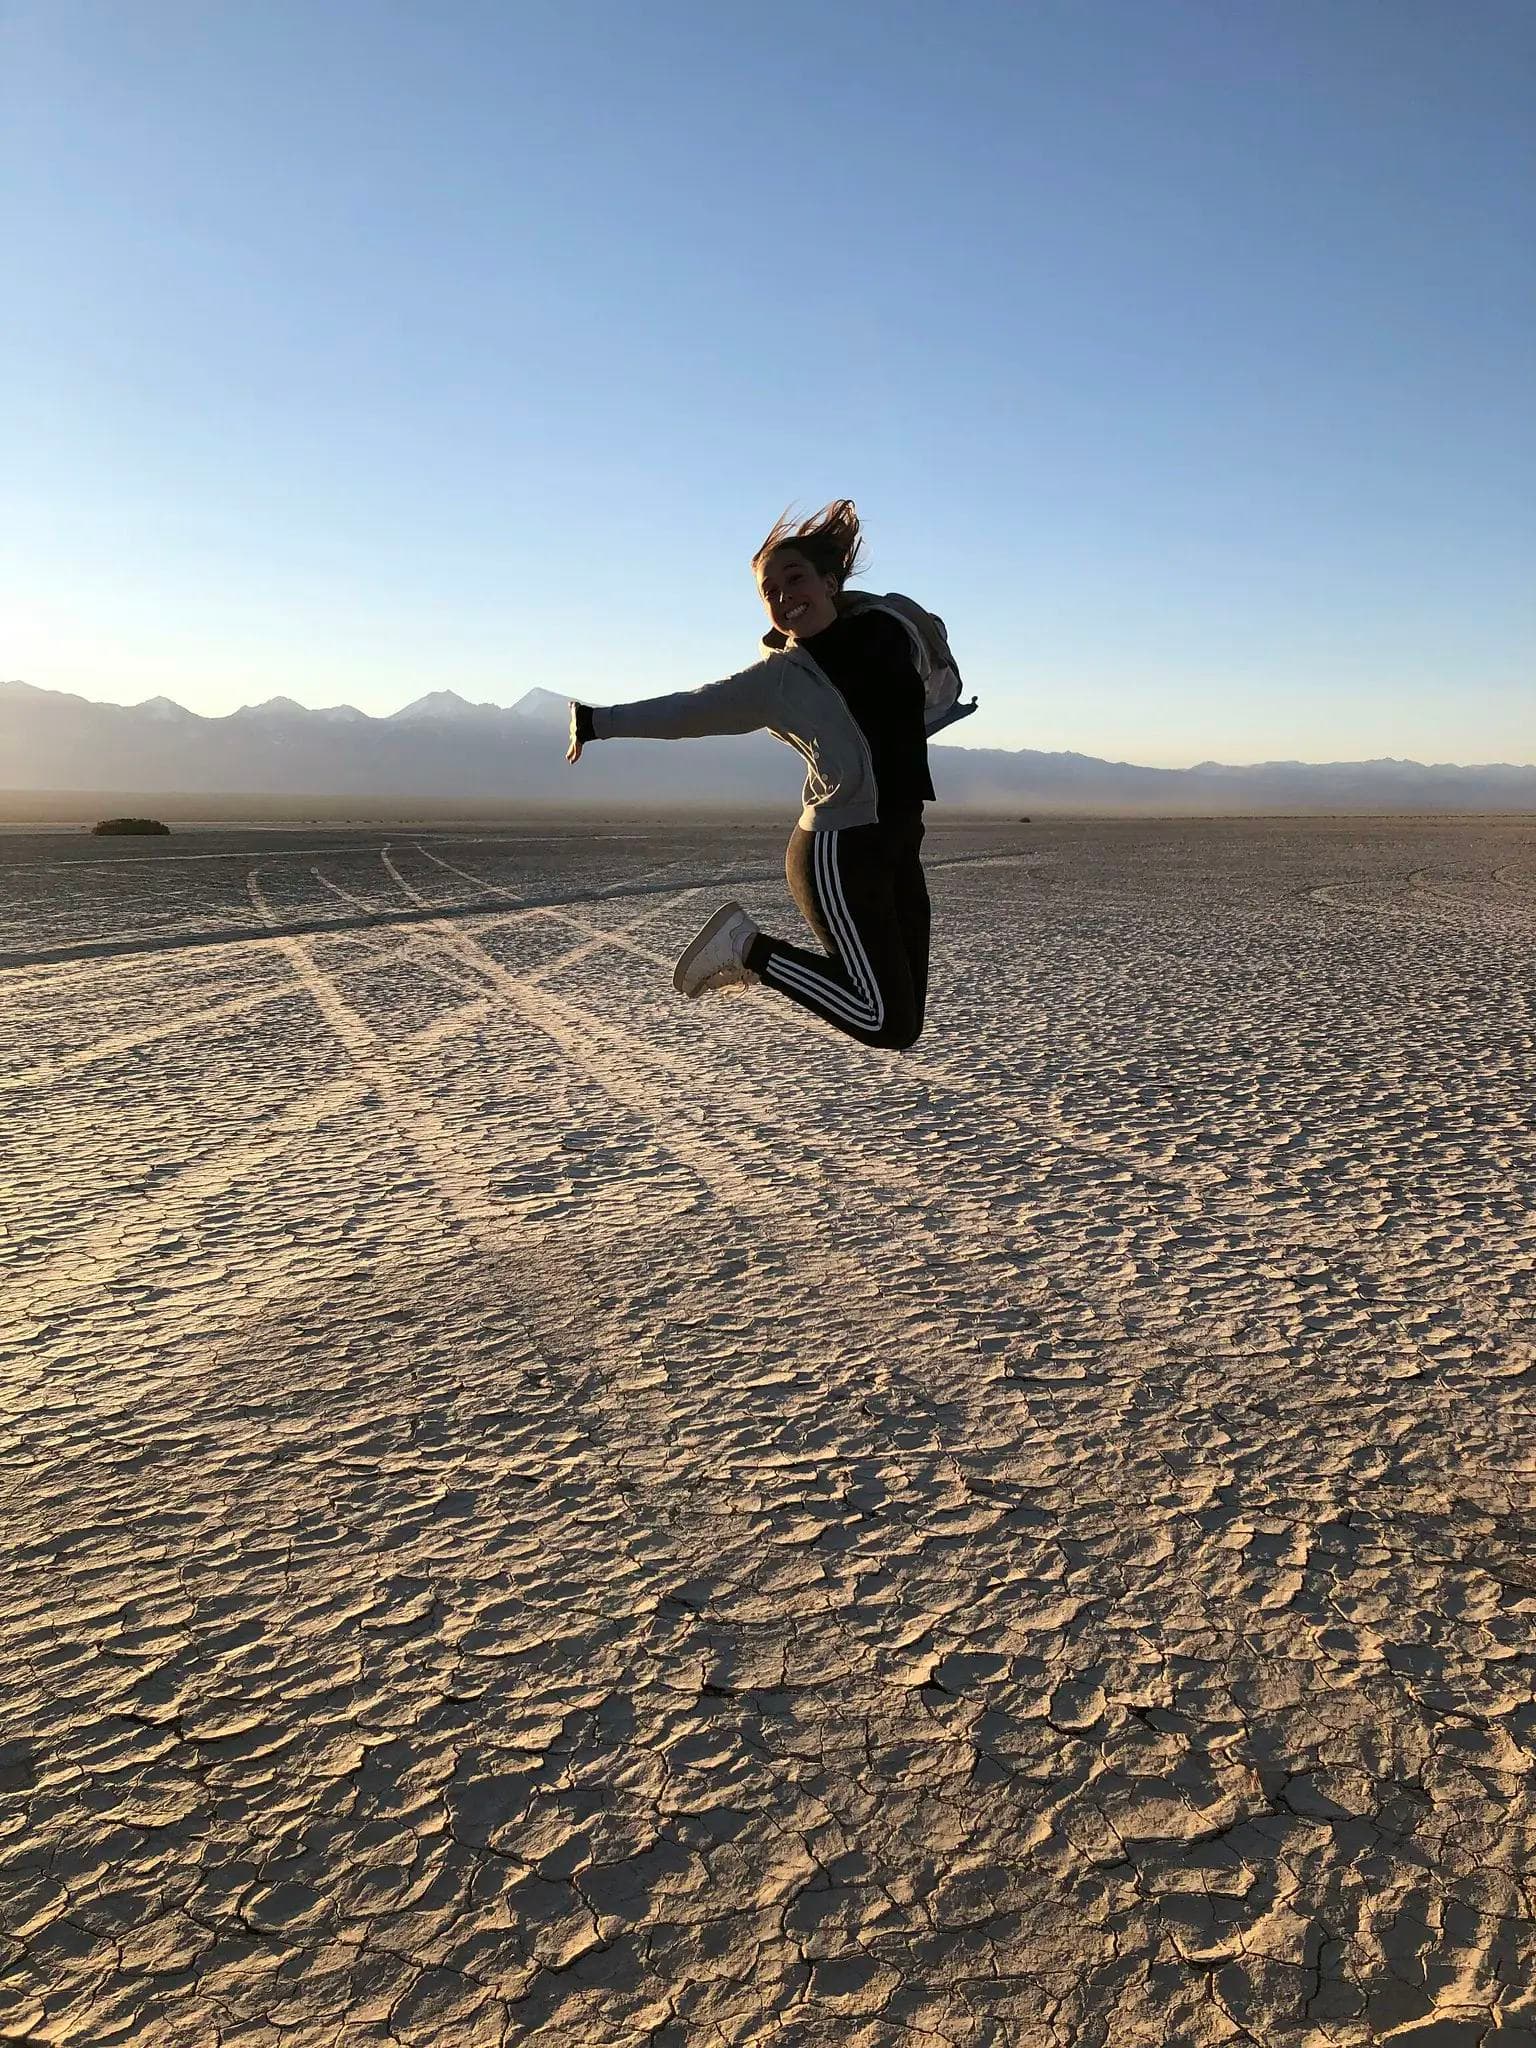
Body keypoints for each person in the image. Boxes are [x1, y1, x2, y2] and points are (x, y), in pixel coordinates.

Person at [566, 500, 974, 1050]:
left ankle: (753, 952)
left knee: (903, 1023)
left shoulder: (889, 626)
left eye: (794, 578)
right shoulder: (779, 680)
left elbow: (935, 672)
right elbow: (691, 708)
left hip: (900, 840)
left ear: (829, 583)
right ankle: (747, 949)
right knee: (880, 1020)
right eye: (770, 593)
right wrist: (596, 722)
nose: (784, 597)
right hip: (838, 849)